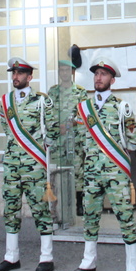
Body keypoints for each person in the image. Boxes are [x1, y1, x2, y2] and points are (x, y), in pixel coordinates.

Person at [71, 57, 136, 271]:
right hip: (91, 173)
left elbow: (133, 141)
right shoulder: (84, 108)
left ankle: (132, 263)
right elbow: (80, 140)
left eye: (103, 74)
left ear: (112, 79)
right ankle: (88, 261)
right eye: (96, 74)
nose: (98, 78)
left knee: (125, 216)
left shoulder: (122, 107)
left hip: (116, 173)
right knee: (90, 216)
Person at [0, 57, 59, 271]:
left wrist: (39, 151)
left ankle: (46, 257)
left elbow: (53, 130)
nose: (15, 77)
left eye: (20, 73)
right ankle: (11, 257)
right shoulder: (5, 101)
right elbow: (7, 129)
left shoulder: (42, 101)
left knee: (40, 209)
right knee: (11, 209)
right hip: (12, 164)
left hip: (34, 165)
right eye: (13, 73)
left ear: (29, 77)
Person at [47, 46, 88, 216]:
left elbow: (83, 116)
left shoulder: (80, 92)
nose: (64, 73)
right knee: (56, 174)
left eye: (67, 69)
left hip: (73, 140)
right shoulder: (52, 92)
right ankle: (55, 208)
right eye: (61, 70)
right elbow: (47, 114)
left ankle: (78, 204)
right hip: (57, 140)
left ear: (72, 72)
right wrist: (58, 128)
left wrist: (69, 126)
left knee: (78, 172)